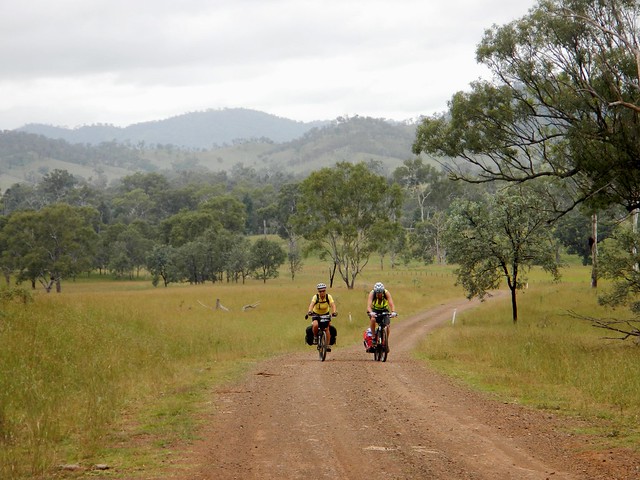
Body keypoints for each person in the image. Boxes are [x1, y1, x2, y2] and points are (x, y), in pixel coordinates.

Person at [307, 282, 338, 350]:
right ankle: (315, 337)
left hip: (325, 314)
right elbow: (311, 304)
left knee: (327, 328)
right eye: (320, 291)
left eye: (323, 291)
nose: (322, 293)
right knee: (315, 325)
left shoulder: (328, 297)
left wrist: (334, 312)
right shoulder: (315, 297)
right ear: (318, 291)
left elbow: (333, 305)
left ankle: (327, 345)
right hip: (316, 314)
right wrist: (310, 311)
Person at [366, 282, 396, 352]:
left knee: (387, 325)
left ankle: (386, 342)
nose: (379, 294)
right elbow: (368, 306)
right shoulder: (372, 293)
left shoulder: (386, 293)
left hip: (384, 310)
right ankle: (373, 337)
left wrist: (393, 311)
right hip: (375, 310)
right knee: (373, 319)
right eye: (377, 293)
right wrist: (371, 312)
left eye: (380, 293)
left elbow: (391, 303)